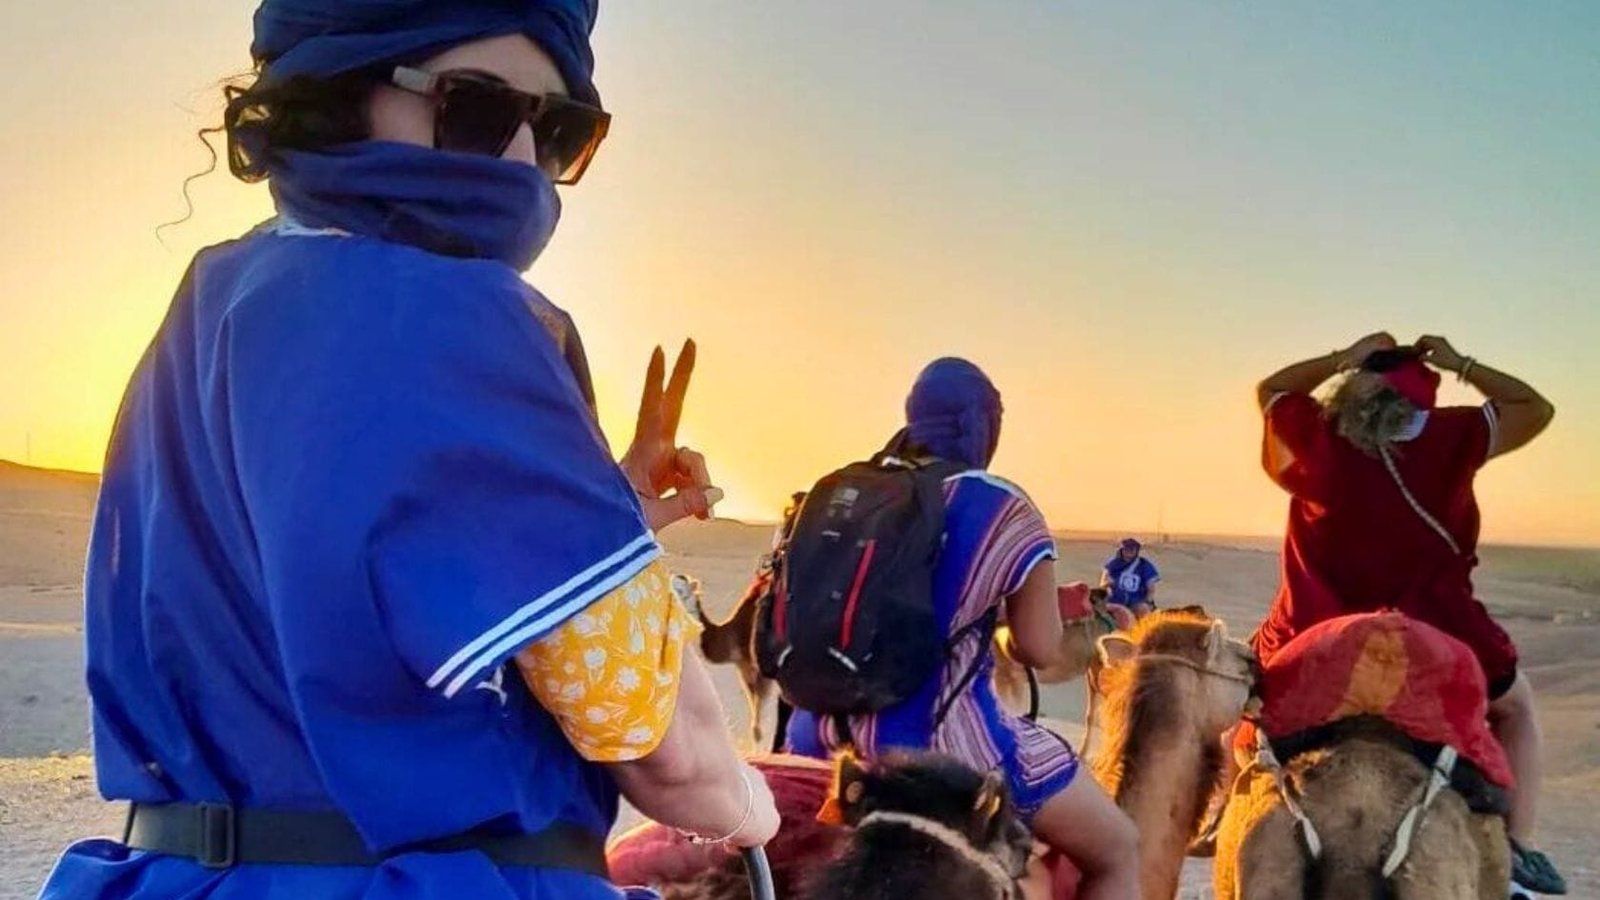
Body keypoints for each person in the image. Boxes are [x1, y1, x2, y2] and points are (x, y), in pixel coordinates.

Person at [38, 3, 778, 898]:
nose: (516, 161)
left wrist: (597, 511)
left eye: (560, 132)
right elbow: (654, 741)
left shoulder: (213, 307)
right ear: (347, 90)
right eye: (476, 110)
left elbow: (315, 585)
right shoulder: (451, 311)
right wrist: (751, 805)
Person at [785, 358, 1139, 900]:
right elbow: (1038, 649)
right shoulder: (1004, 506)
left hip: (816, 736)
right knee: (1118, 849)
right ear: (982, 423)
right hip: (945, 745)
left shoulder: (842, 491)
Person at [1254, 331, 1563, 895]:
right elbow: (1534, 408)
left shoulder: (1313, 436)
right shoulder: (1454, 435)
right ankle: (1521, 851)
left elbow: (1272, 388)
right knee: (1517, 711)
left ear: (1352, 390)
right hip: (1437, 630)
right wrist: (1459, 361)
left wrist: (1339, 357)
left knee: (1243, 711)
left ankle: (1230, 812)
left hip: (1318, 632)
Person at [1099, 538, 1159, 619]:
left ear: (1137, 550)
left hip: (1136, 602)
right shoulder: (1112, 564)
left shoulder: (1144, 565)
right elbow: (1103, 583)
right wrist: (1108, 584)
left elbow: (1151, 588)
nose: (1129, 551)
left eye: (1132, 549)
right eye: (1126, 548)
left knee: (1144, 612)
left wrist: (1148, 602)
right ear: (1122, 550)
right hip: (1114, 600)